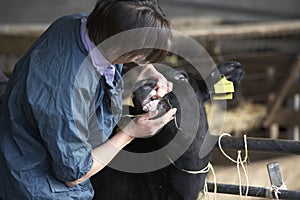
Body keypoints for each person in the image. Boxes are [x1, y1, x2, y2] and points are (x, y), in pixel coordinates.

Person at [0, 0, 176, 199]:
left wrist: (146, 71)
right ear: (118, 46)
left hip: (18, 138)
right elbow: (74, 173)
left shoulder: (77, 24)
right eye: (142, 55)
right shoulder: (67, 93)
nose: (142, 60)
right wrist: (131, 133)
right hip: (36, 185)